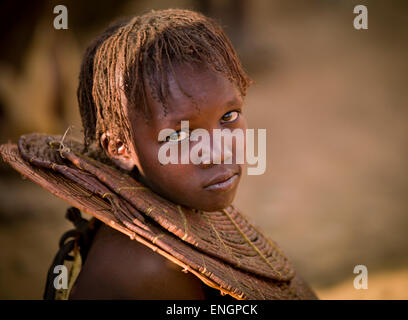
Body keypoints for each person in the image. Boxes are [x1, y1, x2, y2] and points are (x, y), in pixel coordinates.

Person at [1, 8, 317, 300]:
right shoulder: (152, 269)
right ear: (120, 149)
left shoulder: (175, 209)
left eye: (229, 117)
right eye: (179, 135)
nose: (218, 151)